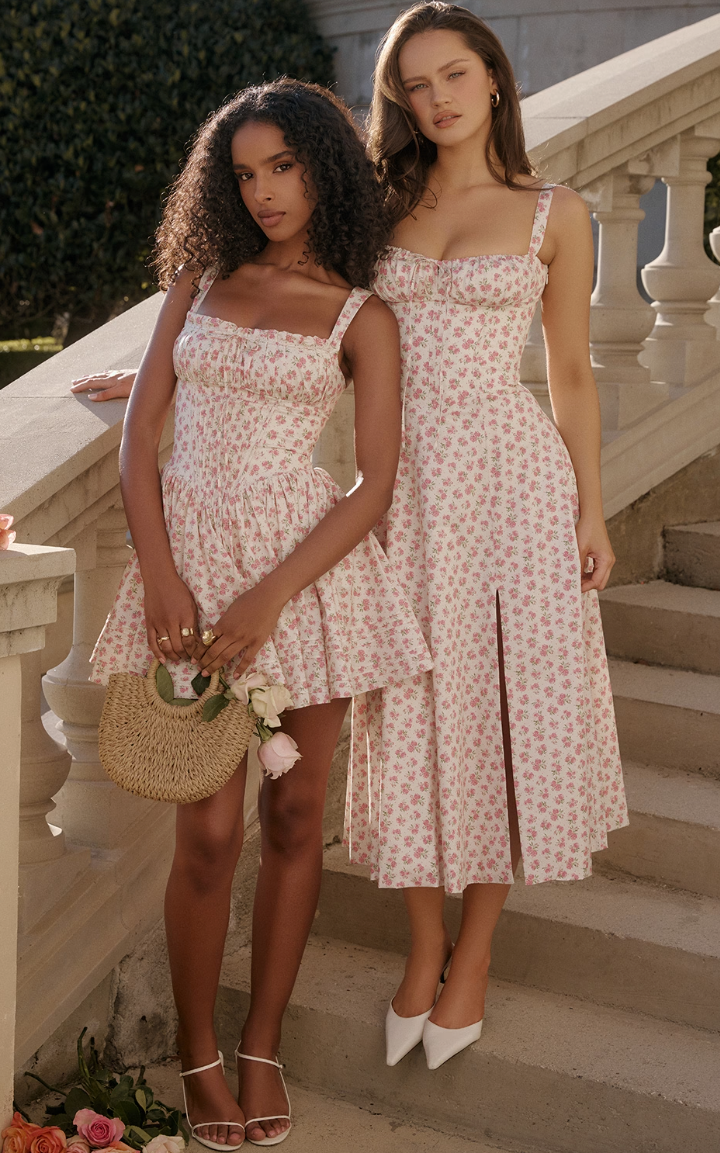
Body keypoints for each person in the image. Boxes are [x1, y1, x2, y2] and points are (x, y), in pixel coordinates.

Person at [85, 79, 431, 1146]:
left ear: (325, 165)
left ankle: (261, 1044)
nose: (265, 190)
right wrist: (163, 575)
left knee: (292, 817)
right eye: (244, 172)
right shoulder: (198, 281)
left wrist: (273, 592)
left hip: (300, 578)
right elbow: (141, 438)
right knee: (210, 828)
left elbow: (373, 482)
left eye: (283, 165)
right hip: (187, 566)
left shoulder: (360, 313)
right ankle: (197, 1059)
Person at [345, 1, 628, 1070]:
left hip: (514, 484)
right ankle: (425, 945)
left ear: (494, 79)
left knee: (508, 706)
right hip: (403, 488)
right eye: (414, 86)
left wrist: (589, 509)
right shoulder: (373, 207)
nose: (436, 99)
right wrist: (163, 373)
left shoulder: (555, 211)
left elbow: (569, 374)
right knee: (409, 706)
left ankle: (477, 955)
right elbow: (296, 312)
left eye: (453, 74)